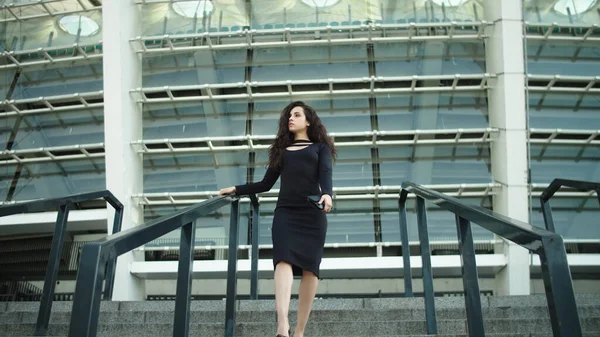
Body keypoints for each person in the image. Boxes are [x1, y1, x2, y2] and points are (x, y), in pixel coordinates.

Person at [218, 101, 336, 337]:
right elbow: (265, 184)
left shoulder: (320, 148)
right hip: (286, 213)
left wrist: (327, 194)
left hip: (312, 214)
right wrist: (236, 189)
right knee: (282, 260)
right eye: (289, 116)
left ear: (308, 120)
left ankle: (300, 331)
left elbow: (325, 173)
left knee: (311, 270)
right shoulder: (282, 150)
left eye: (297, 114)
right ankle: (282, 324)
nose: (291, 118)